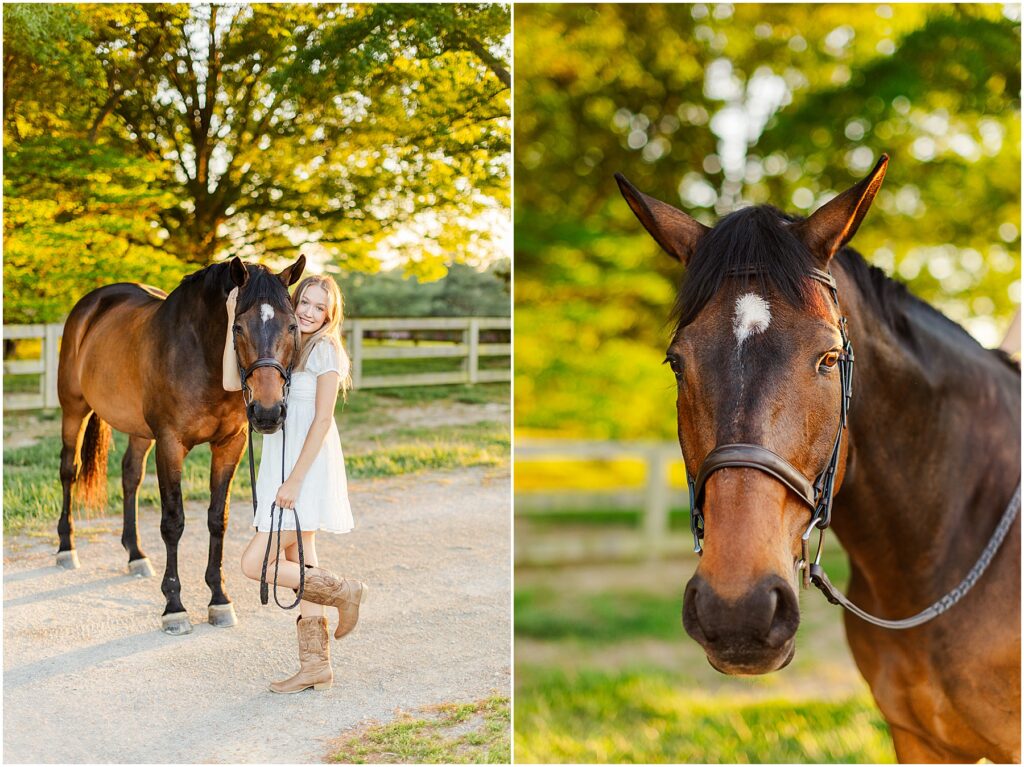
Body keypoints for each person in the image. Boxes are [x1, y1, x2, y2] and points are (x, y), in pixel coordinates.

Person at [223, 273, 367, 694]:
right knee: (302, 563)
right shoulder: (289, 345)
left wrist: (295, 481)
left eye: (319, 307)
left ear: (330, 314)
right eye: (304, 302)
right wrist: (233, 312)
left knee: (255, 565)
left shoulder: (326, 350)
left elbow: (323, 420)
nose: (308, 312)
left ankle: (346, 591)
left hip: (306, 469)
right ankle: (315, 666)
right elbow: (234, 383)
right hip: (281, 465)